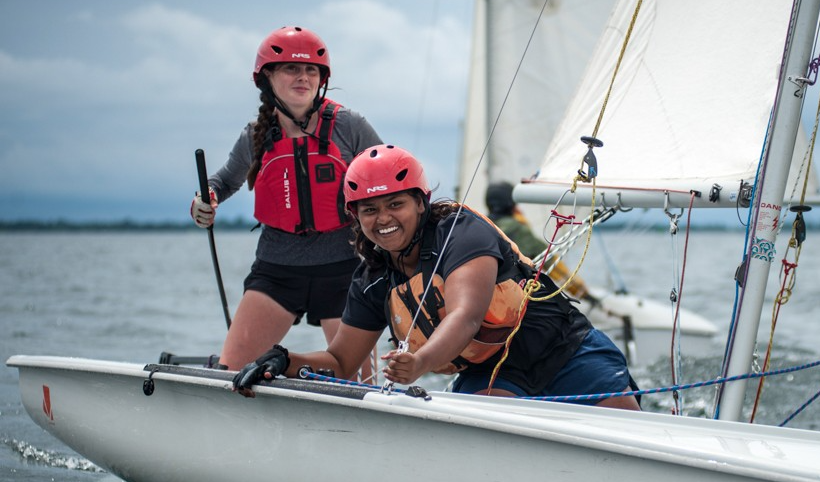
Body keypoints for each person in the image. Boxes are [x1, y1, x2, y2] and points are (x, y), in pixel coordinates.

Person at [232, 145, 640, 410]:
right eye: (369, 210)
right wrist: (283, 359)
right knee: (484, 436)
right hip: (494, 373)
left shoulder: (462, 233)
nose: (384, 219)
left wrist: (420, 362)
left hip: (566, 350)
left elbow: (464, 316)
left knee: (630, 434)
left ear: (421, 203)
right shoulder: (372, 280)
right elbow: (341, 362)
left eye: (396, 204)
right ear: (354, 216)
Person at [189, 26, 382, 371]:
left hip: (345, 270)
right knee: (231, 372)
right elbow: (222, 182)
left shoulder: (350, 126)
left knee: (362, 384)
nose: (303, 77)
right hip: (277, 271)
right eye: (291, 68)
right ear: (267, 78)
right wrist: (205, 199)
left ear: (322, 79)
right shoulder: (255, 136)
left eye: (311, 70)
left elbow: (388, 176)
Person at [484, 181, 595, 304]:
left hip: (490, 299)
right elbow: (552, 264)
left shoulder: (484, 226)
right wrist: (583, 293)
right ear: (511, 203)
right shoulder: (518, 229)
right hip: (517, 299)